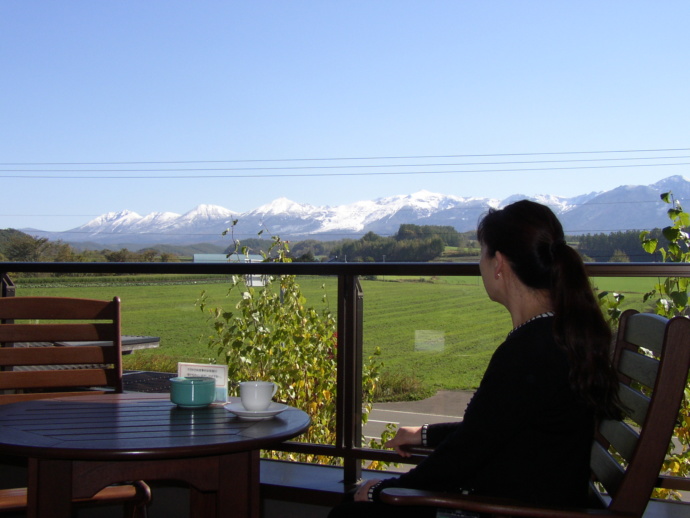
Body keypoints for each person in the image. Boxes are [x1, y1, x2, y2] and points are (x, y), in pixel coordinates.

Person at [328, 200, 621, 518]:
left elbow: (463, 458)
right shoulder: (554, 336)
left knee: (348, 512)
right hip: (530, 498)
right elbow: (492, 426)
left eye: (481, 253)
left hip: (511, 508)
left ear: (499, 264)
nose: (478, 264)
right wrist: (424, 434)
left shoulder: (530, 351)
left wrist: (383, 491)